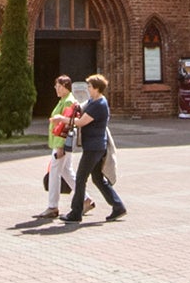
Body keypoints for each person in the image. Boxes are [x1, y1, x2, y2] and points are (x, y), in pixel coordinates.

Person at [63, 73, 127, 222]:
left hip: (94, 147)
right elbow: (83, 105)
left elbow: (81, 122)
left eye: (90, 86)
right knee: (98, 178)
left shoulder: (99, 105)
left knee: (80, 178)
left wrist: (62, 119)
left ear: (97, 89)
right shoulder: (94, 100)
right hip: (95, 146)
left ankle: (76, 212)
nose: (88, 89)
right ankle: (118, 206)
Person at [36, 74, 82, 219]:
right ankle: (86, 198)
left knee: (55, 173)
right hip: (59, 142)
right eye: (56, 85)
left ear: (65, 87)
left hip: (61, 143)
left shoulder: (68, 102)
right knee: (66, 171)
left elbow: (67, 125)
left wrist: (61, 147)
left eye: (59, 86)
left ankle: (52, 206)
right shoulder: (63, 100)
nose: (56, 88)